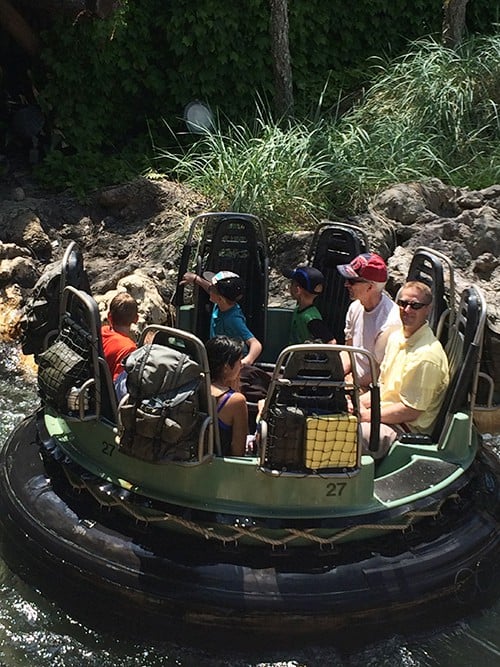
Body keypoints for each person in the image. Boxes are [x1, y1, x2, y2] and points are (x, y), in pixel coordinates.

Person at [358, 280, 449, 458]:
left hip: (405, 429)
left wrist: (367, 416)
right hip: (384, 413)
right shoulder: (397, 337)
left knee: (345, 434)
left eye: (415, 305)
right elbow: (383, 385)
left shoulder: (426, 357)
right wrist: (358, 403)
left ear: (427, 309)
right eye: (403, 303)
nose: (407, 310)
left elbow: (410, 411)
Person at [337, 252, 400, 387]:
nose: (346, 284)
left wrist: (353, 384)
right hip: (351, 380)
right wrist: (335, 375)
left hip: (370, 388)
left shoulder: (390, 323)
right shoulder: (355, 307)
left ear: (370, 286)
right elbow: (348, 350)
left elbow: (380, 371)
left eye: (352, 281)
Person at [181, 270, 262, 366]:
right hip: (219, 356)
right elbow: (210, 289)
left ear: (220, 298)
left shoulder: (233, 320)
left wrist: (247, 361)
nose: (209, 289)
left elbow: (255, 344)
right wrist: (196, 279)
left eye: (212, 288)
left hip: (230, 362)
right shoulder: (221, 303)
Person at [205, 336, 249, 457]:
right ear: (226, 367)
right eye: (239, 361)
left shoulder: (196, 387)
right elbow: (238, 452)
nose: (241, 366)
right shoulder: (236, 401)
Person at [283, 265, 335, 344]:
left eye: (292, 283)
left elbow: (331, 342)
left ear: (297, 290)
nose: (290, 287)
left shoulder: (311, 318)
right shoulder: (298, 309)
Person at [101, 292, 139, 399]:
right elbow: (120, 389)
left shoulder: (101, 332)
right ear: (136, 319)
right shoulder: (129, 349)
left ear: (109, 316)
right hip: (108, 402)